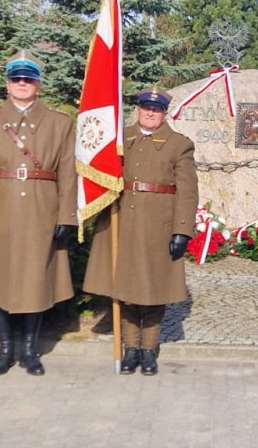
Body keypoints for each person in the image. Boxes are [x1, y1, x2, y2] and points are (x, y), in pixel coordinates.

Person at [0, 52, 77, 376]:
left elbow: (68, 172)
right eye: (16, 79)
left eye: (28, 79)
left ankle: (29, 351)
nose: (22, 84)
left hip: (42, 209)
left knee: (35, 281)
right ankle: (5, 349)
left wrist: (67, 216)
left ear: (38, 84)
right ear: (7, 83)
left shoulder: (60, 122)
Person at [83, 88, 199, 376]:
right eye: (145, 107)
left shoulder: (179, 144)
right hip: (123, 222)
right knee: (125, 288)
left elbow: (187, 192)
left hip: (158, 226)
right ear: (138, 109)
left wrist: (182, 230)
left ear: (164, 113)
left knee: (154, 291)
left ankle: (149, 350)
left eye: (156, 109)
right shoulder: (120, 140)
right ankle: (131, 348)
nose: (150, 112)